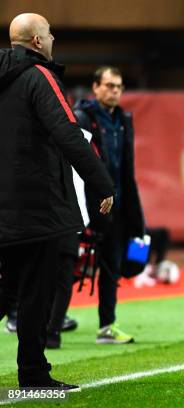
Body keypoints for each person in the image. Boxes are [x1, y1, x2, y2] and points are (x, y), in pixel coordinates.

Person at [0, 13, 114, 389]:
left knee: (7, 290)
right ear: (36, 41)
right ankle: (33, 373)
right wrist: (102, 183)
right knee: (36, 293)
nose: (52, 39)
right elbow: (68, 134)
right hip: (38, 208)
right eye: (48, 33)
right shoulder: (41, 76)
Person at [73, 66, 145, 344]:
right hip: (87, 205)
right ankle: (50, 323)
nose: (115, 91)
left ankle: (107, 326)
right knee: (68, 266)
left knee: (112, 267)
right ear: (95, 87)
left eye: (119, 86)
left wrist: (135, 214)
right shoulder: (84, 118)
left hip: (117, 204)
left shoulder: (124, 120)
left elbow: (128, 169)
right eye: (109, 85)